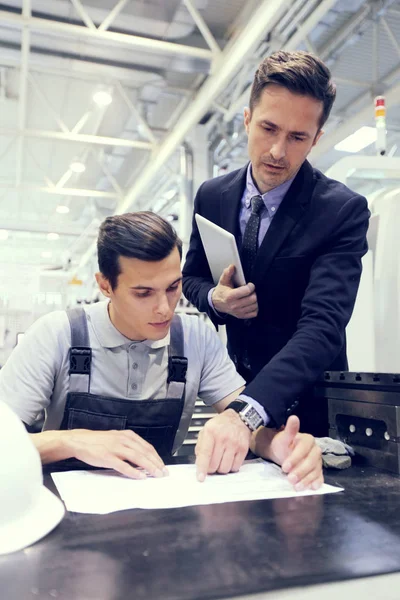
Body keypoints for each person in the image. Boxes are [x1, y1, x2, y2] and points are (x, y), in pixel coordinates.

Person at [0, 212, 322, 489]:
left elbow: (244, 421)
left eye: (172, 287)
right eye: (143, 293)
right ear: (105, 285)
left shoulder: (196, 339)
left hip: (160, 524)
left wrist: (277, 445)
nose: (164, 308)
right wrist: (70, 441)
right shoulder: (58, 336)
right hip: (68, 527)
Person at [182, 50, 370, 439]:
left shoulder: (340, 211)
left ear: (316, 138)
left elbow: (322, 327)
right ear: (247, 120)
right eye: (269, 128)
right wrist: (216, 300)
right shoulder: (212, 196)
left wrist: (247, 412)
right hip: (234, 389)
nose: (278, 152)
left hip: (310, 412)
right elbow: (191, 277)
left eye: (298, 137)